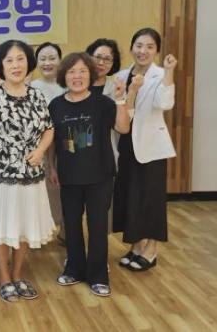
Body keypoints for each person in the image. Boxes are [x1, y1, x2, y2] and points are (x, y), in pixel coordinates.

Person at [47, 52, 133, 297]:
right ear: (64, 76)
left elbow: (123, 127)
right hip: (69, 175)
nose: (77, 76)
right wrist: (51, 166)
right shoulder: (56, 105)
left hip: (100, 175)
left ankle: (98, 275)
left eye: (83, 71)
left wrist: (121, 99)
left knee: (97, 227)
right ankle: (74, 269)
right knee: (72, 225)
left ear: (91, 75)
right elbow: (52, 140)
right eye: (72, 71)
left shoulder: (104, 103)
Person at [0, 40, 55, 303]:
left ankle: (18, 274)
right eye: (9, 60)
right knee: (2, 227)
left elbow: (49, 129)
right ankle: (4, 277)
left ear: (28, 62)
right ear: (1, 66)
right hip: (2, 174)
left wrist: (41, 150)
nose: (15, 65)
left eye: (20, 59)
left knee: (24, 226)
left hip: (31, 174)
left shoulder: (37, 95)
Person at [112, 28, 177, 272]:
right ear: (131, 48)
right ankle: (136, 246)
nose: (143, 51)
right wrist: (131, 91)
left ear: (156, 50)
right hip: (126, 143)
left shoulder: (160, 74)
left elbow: (165, 103)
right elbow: (122, 111)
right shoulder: (121, 75)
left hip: (152, 147)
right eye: (139, 45)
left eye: (150, 46)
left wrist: (169, 72)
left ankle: (151, 250)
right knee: (131, 196)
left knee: (151, 199)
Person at [30, 42, 65, 242]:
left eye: (52, 58)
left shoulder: (68, 85)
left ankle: (66, 232)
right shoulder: (31, 87)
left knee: (65, 192)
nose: (47, 63)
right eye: (42, 59)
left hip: (66, 146)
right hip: (40, 149)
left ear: (60, 60)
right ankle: (39, 233)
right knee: (43, 193)